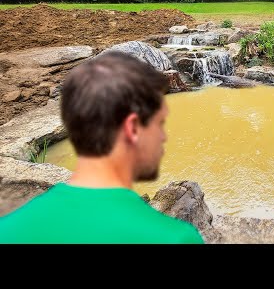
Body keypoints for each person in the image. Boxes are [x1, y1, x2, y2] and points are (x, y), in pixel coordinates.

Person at [0, 51, 204, 244]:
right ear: (132, 128)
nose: (163, 137)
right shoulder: (175, 237)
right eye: (159, 124)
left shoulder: (6, 230)